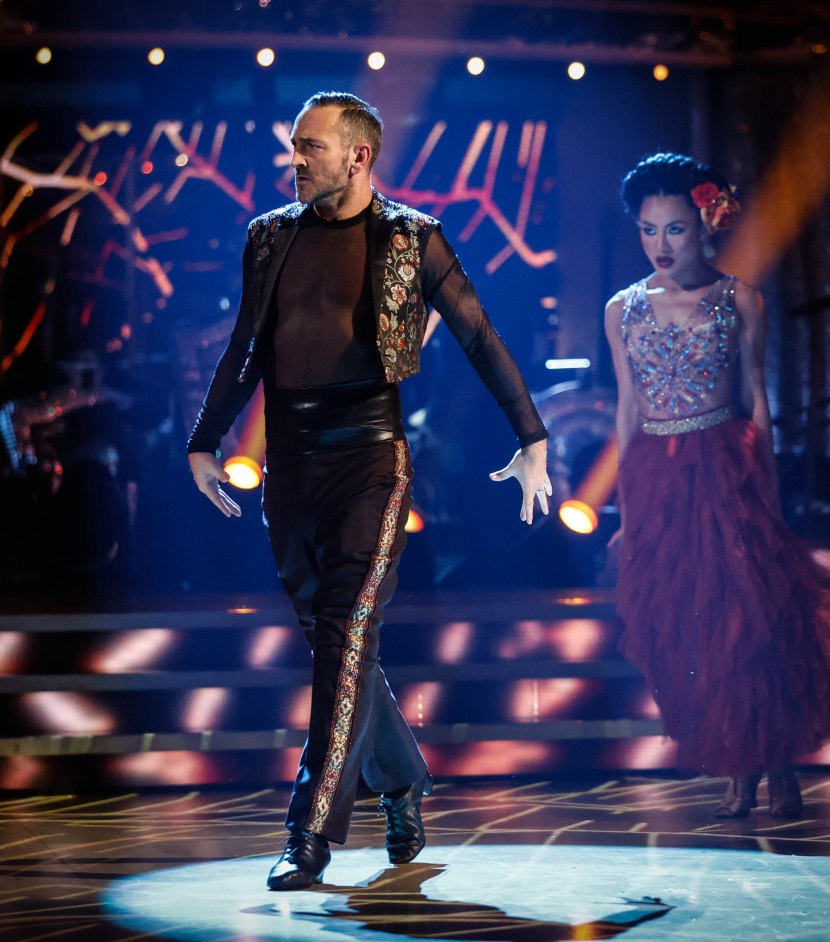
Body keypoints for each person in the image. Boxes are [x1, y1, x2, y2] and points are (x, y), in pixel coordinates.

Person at [187, 92, 551, 889]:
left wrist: (532, 437)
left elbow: (479, 334)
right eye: (293, 145)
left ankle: (310, 833)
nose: (295, 158)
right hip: (290, 464)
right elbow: (244, 347)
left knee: (349, 632)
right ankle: (403, 778)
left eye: (309, 147)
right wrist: (204, 438)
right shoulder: (269, 237)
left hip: (371, 462)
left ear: (357, 155)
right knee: (337, 646)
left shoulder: (412, 238)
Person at [605, 153, 830, 819]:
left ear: (706, 224)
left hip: (726, 472)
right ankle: (739, 761)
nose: (660, 245)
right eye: (647, 230)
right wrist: (626, 502)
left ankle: (772, 761)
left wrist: (767, 494)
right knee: (687, 630)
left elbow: (757, 398)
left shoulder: (739, 299)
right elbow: (627, 406)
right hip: (656, 477)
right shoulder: (622, 309)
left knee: (747, 623)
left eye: (675, 230)